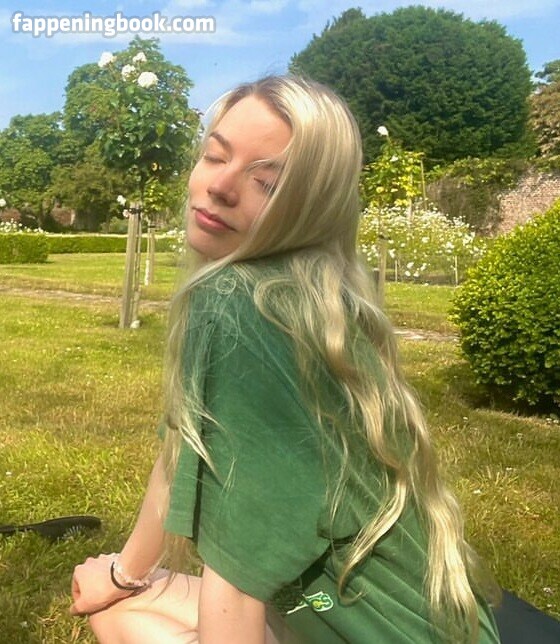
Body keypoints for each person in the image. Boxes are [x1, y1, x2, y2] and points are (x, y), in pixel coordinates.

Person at [70, 75, 501, 643]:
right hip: (411, 620)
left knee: (126, 624)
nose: (220, 187)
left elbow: (240, 568)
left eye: (267, 184)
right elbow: (181, 447)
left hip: (378, 627)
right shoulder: (310, 297)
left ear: (310, 210)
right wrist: (121, 575)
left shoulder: (238, 303)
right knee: (120, 610)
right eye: (214, 156)